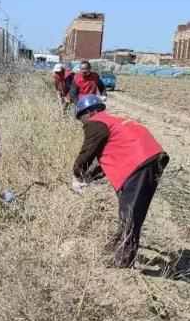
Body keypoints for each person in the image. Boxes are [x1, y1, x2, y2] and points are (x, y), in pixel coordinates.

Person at [71, 94, 168, 268]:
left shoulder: (96, 122)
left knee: (129, 214)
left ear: (88, 113)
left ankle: (123, 262)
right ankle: (119, 250)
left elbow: (87, 151)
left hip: (139, 163)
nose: (82, 124)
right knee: (133, 212)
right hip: (152, 160)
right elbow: (113, 157)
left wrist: (77, 174)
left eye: (81, 119)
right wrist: (90, 177)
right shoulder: (115, 121)